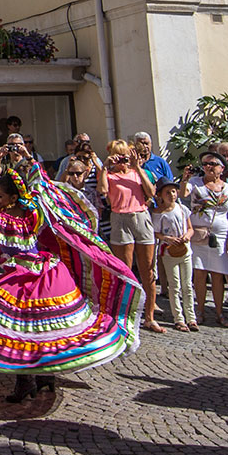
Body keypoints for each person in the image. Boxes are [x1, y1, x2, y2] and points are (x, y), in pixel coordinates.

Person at [0, 147, 148, 403]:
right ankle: (41, 379)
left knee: (27, 331)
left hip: (31, 277)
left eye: (1, 196)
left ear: (12, 197)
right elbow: (29, 184)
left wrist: (22, 165)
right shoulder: (31, 211)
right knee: (33, 330)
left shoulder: (6, 216)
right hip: (36, 273)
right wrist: (24, 163)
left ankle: (31, 380)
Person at [96, 140, 159, 331]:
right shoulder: (109, 174)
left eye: (124, 156)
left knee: (148, 270)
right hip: (120, 218)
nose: (122, 161)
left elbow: (151, 192)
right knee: (124, 270)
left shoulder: (137, 173)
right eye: (118, 157)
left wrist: (137, 167)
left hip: (140, 216)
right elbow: (103, 191)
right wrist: (105, 167)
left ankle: (149, 316)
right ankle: (124, 316)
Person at [187, 152, 228, 325]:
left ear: (222, 168)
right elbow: (181, 194)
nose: (208, 167)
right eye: (205, 164)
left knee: (218, 275)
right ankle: (199, 311)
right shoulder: (195, 184)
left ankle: (219, 313)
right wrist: (184, 179)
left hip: (221, 236)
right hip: (200, 235)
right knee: (200, 273)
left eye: (213, 164)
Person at [149, 180, 195, 331]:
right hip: (169, 251)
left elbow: (190, 228)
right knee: (174, 286)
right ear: (161, 195)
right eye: (167, 192)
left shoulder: (182, 208)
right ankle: (179, 318)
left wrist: (187, 236)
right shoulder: (158, 213)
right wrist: (166, 238)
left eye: (174, 191)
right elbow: (155, 232)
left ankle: (191, 317)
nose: (172, 195)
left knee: (187, 285)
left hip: (185, 249)